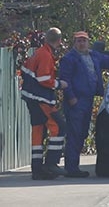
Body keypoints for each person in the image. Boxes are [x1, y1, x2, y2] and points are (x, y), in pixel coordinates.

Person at [58, 31, 109, 178]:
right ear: (74, 43)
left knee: (83, 133)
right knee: (75, 134)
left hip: (88, 100)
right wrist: (71, 98)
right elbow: (65, 80)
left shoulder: (94, 56)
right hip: (76, 102)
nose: (82, 43)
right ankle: (71, 168)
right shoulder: (69, 59)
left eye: (84, 41)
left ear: (88, 42)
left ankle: (73, 166)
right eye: (79, 41)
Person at [20, 27, 68, 180]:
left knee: (38, 133)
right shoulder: (45, 55)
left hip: (32, 98)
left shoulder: (39, 53)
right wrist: (60, 84)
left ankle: (38, 170)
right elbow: (43, 79)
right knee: (59, 126)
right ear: (59, 41)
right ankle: (51, 163)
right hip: (40, 99)